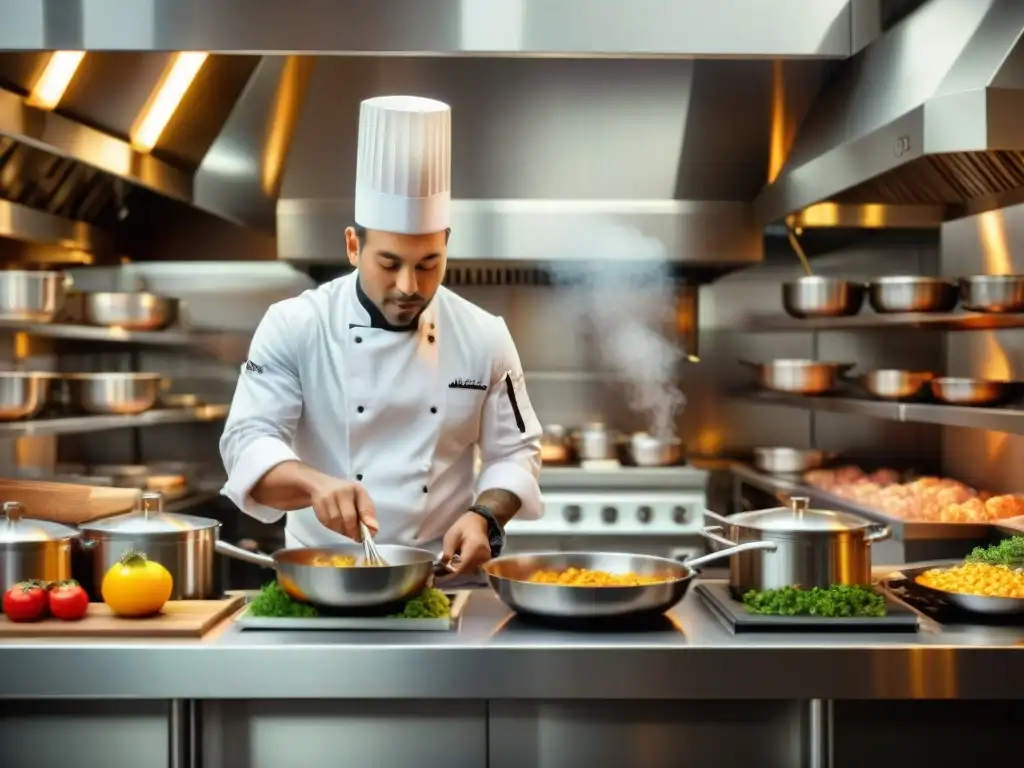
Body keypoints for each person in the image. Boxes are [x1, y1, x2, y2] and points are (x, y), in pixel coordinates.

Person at [219, 95, 543, 574]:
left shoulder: (484, 335)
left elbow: (516, 451)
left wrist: (484, 516)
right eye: (389, 263)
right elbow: (248, 442)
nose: (409, 286)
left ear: (447, 245)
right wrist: (313, 484)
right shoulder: (296, 324)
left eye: (428, 264)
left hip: (441, 577)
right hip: (323, 574)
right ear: (353, 246)